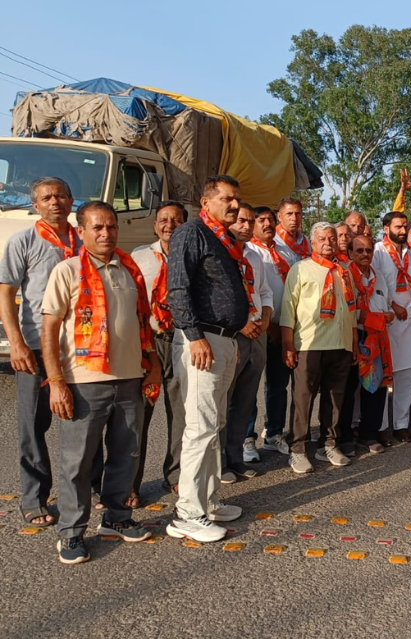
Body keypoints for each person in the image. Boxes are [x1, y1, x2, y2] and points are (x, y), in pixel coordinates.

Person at [41, 201, 161, 563]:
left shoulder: (129, 270)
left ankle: (117, 518)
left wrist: (152, 365)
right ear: (81, 232)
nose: (106, 233)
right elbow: (49, 329)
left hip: (129, 380)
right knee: (77, 462)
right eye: (97, 227)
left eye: (111, 227)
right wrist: (56, 380)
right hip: (83, 383)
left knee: (127, 454)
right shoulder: (67, 271)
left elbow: (143, 325)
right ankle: (71, 532)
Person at [165, 175, 251, 544]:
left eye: (237, 199)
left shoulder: (223, 239)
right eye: (227, 199)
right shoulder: (192, 233)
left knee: (214, 424)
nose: (234, 205)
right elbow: (178, 289)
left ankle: (208, 501)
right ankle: (188, 513)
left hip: (226, 341)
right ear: (206, 200)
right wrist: (194, 336)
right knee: (200, 428)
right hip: (205, 341)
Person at [0, 177, 81, 527]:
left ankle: (86, 487)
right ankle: (34, 498)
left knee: (83, 422)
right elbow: (6, 294)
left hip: (80, 346)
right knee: (34, 426)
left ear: (71, 200)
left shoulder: (84, 239)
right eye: (47, 197)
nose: (55, 202)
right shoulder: (24, 241)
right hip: (35, 345)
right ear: (36, 205)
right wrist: (15, 342)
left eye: (61, 196)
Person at [281, 222, 358, 473]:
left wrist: (354, 342)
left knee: (335, 397)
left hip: (340, 343)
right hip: (309, 344)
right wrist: (288, 344)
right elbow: (288, 309)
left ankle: (328, 444)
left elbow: (352, 312)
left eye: (332, 238)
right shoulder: (301, 269)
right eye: (322, 239)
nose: (328, 243)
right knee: (303, 398)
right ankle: (298, 448)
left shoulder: (344, 271)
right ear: (313, 243)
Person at [130, 201, 187, 500]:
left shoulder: (192, 256)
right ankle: (130, 484)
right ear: (155, 226)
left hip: (180, 341)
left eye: (176, 220)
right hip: (149, 342)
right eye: (163, 220)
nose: (169, 225)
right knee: (139, 415)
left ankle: (175, 475)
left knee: (180, 414)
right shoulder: (139, 258)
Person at [219, 204, 271, 483]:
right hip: (232, 334)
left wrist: (264, 321)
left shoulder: (255, 256)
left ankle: (235, 457)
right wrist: (242, 324)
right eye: (242, 220)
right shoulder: (221, 252)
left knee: (244, 401)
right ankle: (218, 463)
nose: (247, 226)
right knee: (222, 402)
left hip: (256, 335)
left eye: (250, 221)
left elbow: (264, 292)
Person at [373, 211, 411, 442]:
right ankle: (382, 426)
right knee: (385, 374)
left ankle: (401, 424)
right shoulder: (377, 251)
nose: (403, 231)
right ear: (386, 228)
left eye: (405, 226)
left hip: (410, 319)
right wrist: (393, 305)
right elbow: (375, 283)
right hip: (389, 318)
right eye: (398, 227)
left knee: (408, 375)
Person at [246, 205, 294, 457]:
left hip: (282, 327)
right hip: (257, 328)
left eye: (270, 220)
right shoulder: (248, 251)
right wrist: (268, 324)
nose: (266, 224)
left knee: (278, 385)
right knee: (249, 386)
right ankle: (246, 438)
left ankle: (274, 433)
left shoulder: (285, 251)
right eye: (260, 219)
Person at [343, 235, 397, 449]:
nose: (365, 254)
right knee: (347, 390)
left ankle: (369, 435)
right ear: (350, 253)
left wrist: (388, 314)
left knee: (375, 388)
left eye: (368, 250)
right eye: (359, 250)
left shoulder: (378, 276)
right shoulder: (344, 275)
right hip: (353, 337)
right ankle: (344, 438)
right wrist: (378, 318)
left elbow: (388, 304)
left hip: (376, 340)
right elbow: (349, 312)